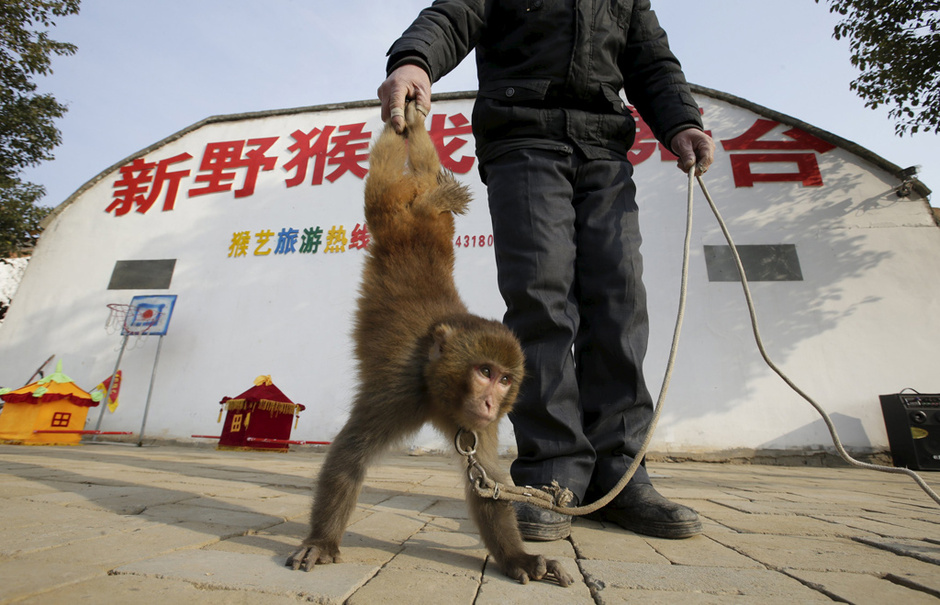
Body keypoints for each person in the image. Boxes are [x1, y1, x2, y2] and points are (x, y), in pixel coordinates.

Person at [377, 0, 715, 541]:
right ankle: (553, 470)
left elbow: (651, 61)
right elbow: (452, 15)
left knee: (621, 301)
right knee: (542, 297)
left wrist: (680, 122)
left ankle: (622, 475)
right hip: (523, 139)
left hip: (604, 148)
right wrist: (414, 61)